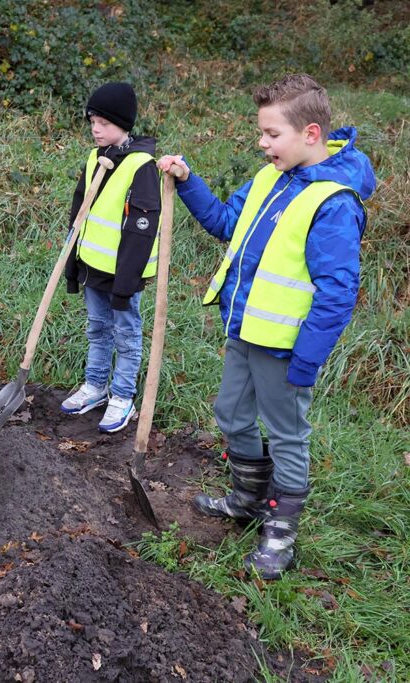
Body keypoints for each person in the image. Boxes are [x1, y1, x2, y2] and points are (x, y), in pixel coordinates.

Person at [156, 74, 376, 579]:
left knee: (286, 434)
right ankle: (248, 499)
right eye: (262, 132)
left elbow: (338, 293)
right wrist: (189, 181)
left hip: (285, 349)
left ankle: (281, 530)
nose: (262, 142)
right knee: (231, 414)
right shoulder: (268, 178)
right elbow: (224, 223)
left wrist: (306, 360)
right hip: (243, 330)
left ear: (311, 133)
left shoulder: (334, 204)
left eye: (272, 134)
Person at [60, 82, 162, 433]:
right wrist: (73, 264)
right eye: (92, 122)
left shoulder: (141, 166)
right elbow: (80, 212)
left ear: (123, 123)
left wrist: (126, 283)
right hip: (93, 268)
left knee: (126, 335)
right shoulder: (94, 158)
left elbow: (141, 231)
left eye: (103, 122)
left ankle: (122, 395)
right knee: (97, 329)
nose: (96, 128)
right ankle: (96, 385)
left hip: (123, 275)